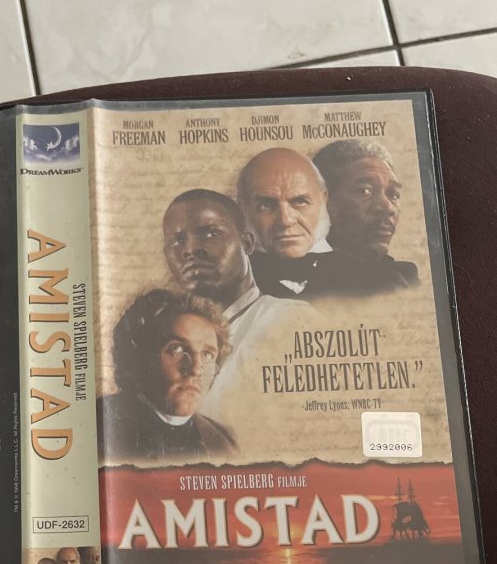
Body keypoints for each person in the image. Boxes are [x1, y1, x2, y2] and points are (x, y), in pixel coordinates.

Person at [163, 190, 310, 398]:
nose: (191, 249)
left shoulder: (290, 319)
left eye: (210, 234)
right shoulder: (165, 340)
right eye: (177, 241)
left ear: (246, 243)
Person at [98, 288, 236, 464]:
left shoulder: (223, 442)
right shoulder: (102, 424)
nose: (196, 369)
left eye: (208, 355)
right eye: (177, 349)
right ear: (139, 355)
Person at [237, 148, 359, 299]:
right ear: (243, 210)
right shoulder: (230, 284)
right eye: (266, 205)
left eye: (300, 201)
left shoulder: (372, 275)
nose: (286, 220)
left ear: (323, 200)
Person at [313, 139, 419, 291]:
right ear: (323, 201)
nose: (388, 208)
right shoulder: (305, 285)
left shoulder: (403, 277)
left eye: (393, 194)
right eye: (365, 191)